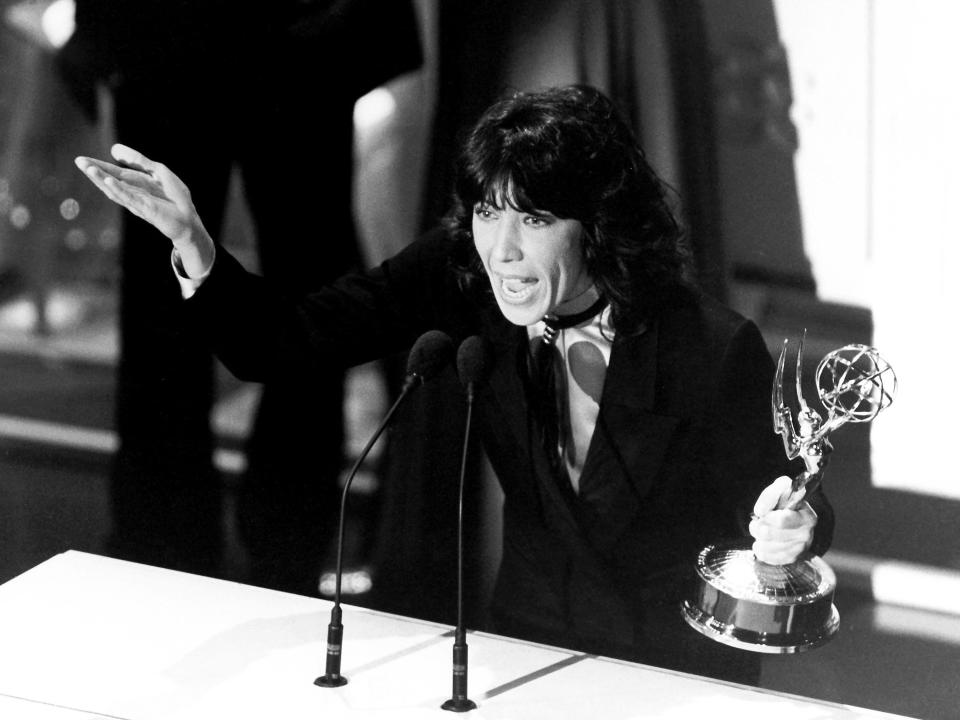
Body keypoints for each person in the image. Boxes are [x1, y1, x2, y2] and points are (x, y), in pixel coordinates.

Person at [75, 85, 832, 684]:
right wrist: (194, 243)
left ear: (598, 224)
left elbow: (782, 503)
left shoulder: (709, 345)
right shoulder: (459, 273)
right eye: (487, 212)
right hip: (523, 652)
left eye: (533, 218)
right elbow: (289, 340)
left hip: (668, 670)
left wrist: (787, 528)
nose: (502, 249)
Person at [58, 1, 422, 590]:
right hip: (175, 32)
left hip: (301, 30)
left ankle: (277, 543)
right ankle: (177, 541)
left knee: (304, 293)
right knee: (164, 293)